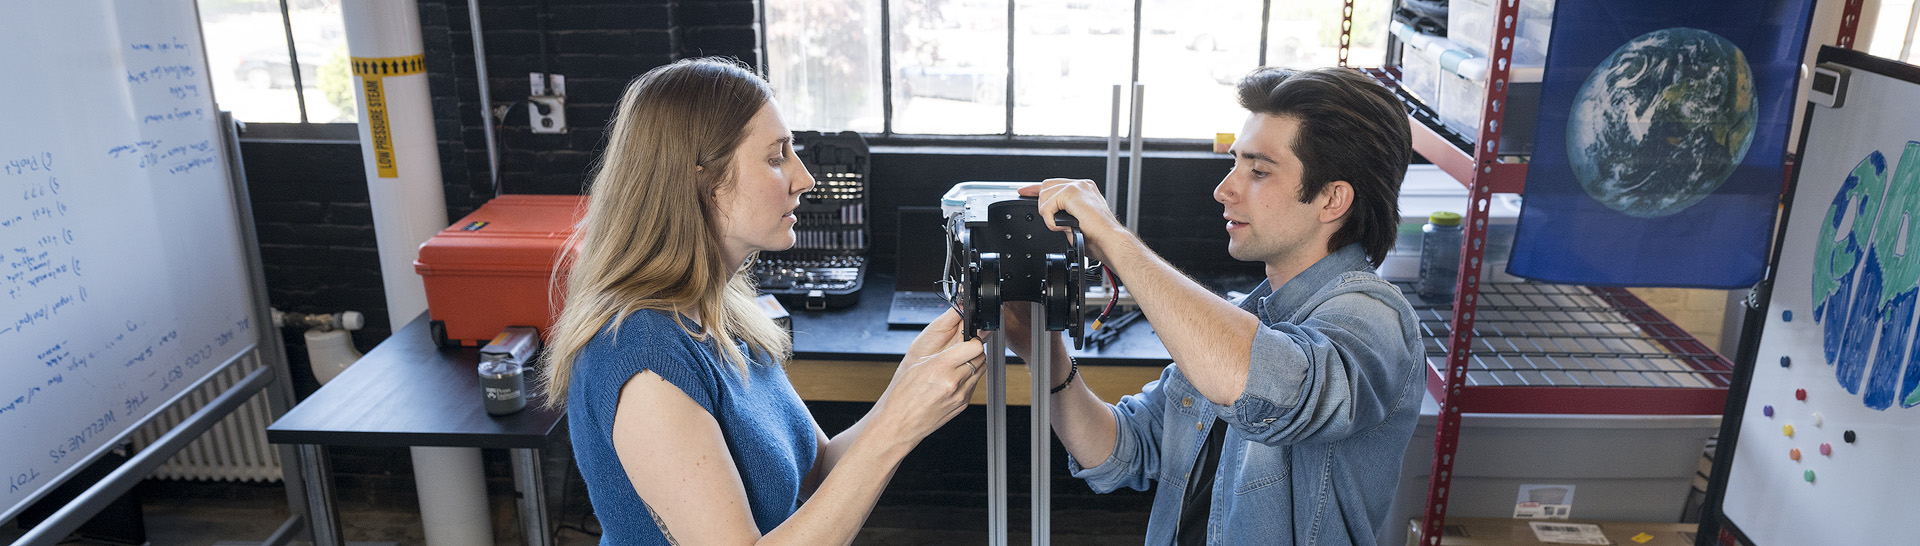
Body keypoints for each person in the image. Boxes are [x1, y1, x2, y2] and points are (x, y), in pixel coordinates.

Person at [540, 58, 988, 546]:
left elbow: (819, 470)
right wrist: (898, 426)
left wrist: (908, 383)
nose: (805, 179)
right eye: (777, 157)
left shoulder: (720, 314)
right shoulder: (642, 357)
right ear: (701, 182)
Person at [1006, 67, 1423, 545]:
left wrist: (1114, 239)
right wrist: (1044, 353)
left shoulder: (1375, 317)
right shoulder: (1247, 320)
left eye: (1259, 171)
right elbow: (1120, 449)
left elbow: (1267, 389)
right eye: (1234, 164)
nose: (1224, 189)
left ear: (1332, 199)